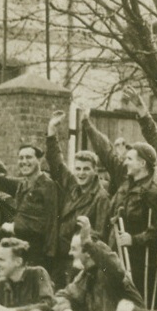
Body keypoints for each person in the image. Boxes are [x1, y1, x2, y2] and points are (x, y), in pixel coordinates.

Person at [0, 129, 60, 270]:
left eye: (29, 158)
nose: (24, 162)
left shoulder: (48, 186)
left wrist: (14, 227)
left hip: (39, 252)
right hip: (20, 248)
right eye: (21, 158)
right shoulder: (21, 184)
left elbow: (49, 223)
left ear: (39, 160)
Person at [45, 110, 112, 287]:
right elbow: (57, 162)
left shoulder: (101, 197)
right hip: (59, 255)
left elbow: (100, 233)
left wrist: (79, 239)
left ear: (94, 171)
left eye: (86, 169)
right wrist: (52, 131)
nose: (81, 173)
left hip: (80, 259)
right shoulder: (73, 186)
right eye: (78, 168)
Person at [110, 141, 157, 303]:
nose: (125, 162)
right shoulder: (128, 183)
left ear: (142, 163)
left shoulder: (154, 191)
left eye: (129, 159)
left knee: (136, 298)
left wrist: (134, 239)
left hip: (141, 258)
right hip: (120, 251)